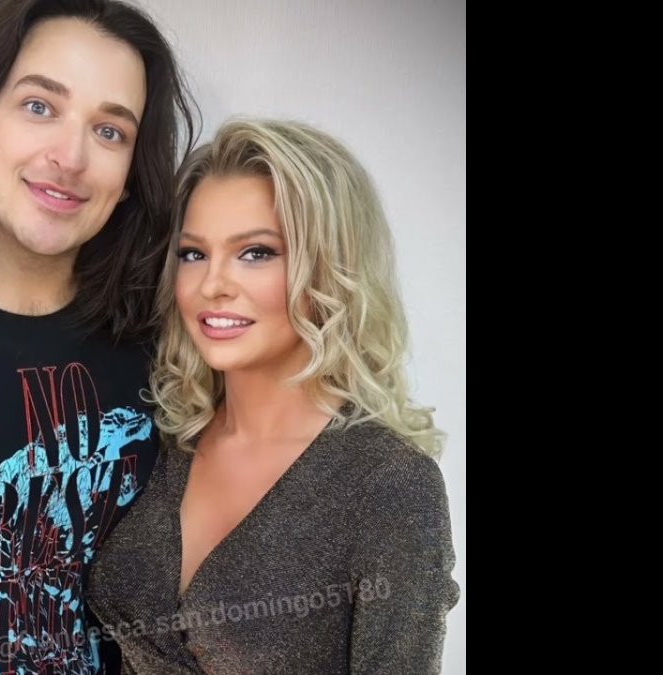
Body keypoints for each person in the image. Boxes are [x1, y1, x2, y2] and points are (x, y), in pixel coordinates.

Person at [87, 118, 459, 674]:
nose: (212, 284)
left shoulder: (389, 486)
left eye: (256, 252)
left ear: (329, 269)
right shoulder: (166, 438)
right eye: (193, 254)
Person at [0, 1, 196, 673]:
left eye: (109, 130)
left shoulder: (172, 348)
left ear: (130, 173)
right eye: (39, 106)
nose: (70, 158)